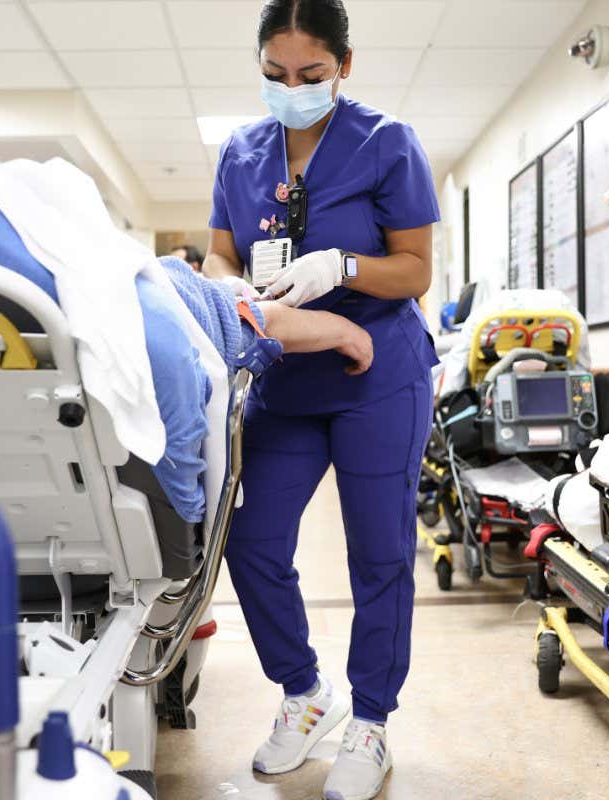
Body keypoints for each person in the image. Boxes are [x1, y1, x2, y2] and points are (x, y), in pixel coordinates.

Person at [201, 2, 439, 797]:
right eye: (275, 75)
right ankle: (305, 692)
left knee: (379, 553)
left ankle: (370, 721)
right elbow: (220, 248)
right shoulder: (241, 151)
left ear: (344, 65)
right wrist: (223, 285)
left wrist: (341, 266)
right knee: (251, 541)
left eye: (310, 75)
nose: (292, 88)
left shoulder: (386, 143)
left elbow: (414, 270)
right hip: (285, 373)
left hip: (379, 376)